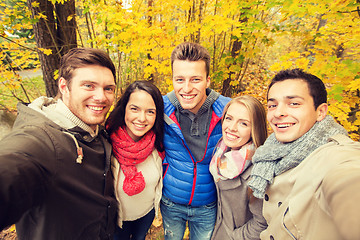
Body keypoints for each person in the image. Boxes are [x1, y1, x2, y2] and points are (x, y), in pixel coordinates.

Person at [0, 48, 118, 240]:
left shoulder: (95, 130)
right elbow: (15, 166)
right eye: (88, 86)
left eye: (108, 88)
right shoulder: (42, 140)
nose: (101, 97)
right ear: (64, 86)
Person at [248, 68, 360, 239]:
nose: (278, 113)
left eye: (294, 103)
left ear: (321, 111)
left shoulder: (335, 155)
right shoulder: (270, 153)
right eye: (272, 105)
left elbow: (348, 179)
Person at [161, 42, 231, 240]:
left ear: (208, 80)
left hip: (207, 205)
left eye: (195, 79)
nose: (187, 88)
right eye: (180, 80)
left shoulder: (228, 111)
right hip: (171, 202)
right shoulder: (159, 108)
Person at [105, 80, 164, 240]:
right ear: (124, 108)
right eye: (134, 109)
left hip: (146, 214)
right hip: (117, 221)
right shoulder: (105, 143)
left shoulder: (157, 143)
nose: (142, 118)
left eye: (150, 112)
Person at [210, 95, 268, 240]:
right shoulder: (221, 150)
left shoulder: (258, 172)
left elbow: (262, 222)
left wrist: (234, 237)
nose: (232, 128)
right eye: (229, 118)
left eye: (243, 123)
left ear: (255, 129)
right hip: (217, 230)